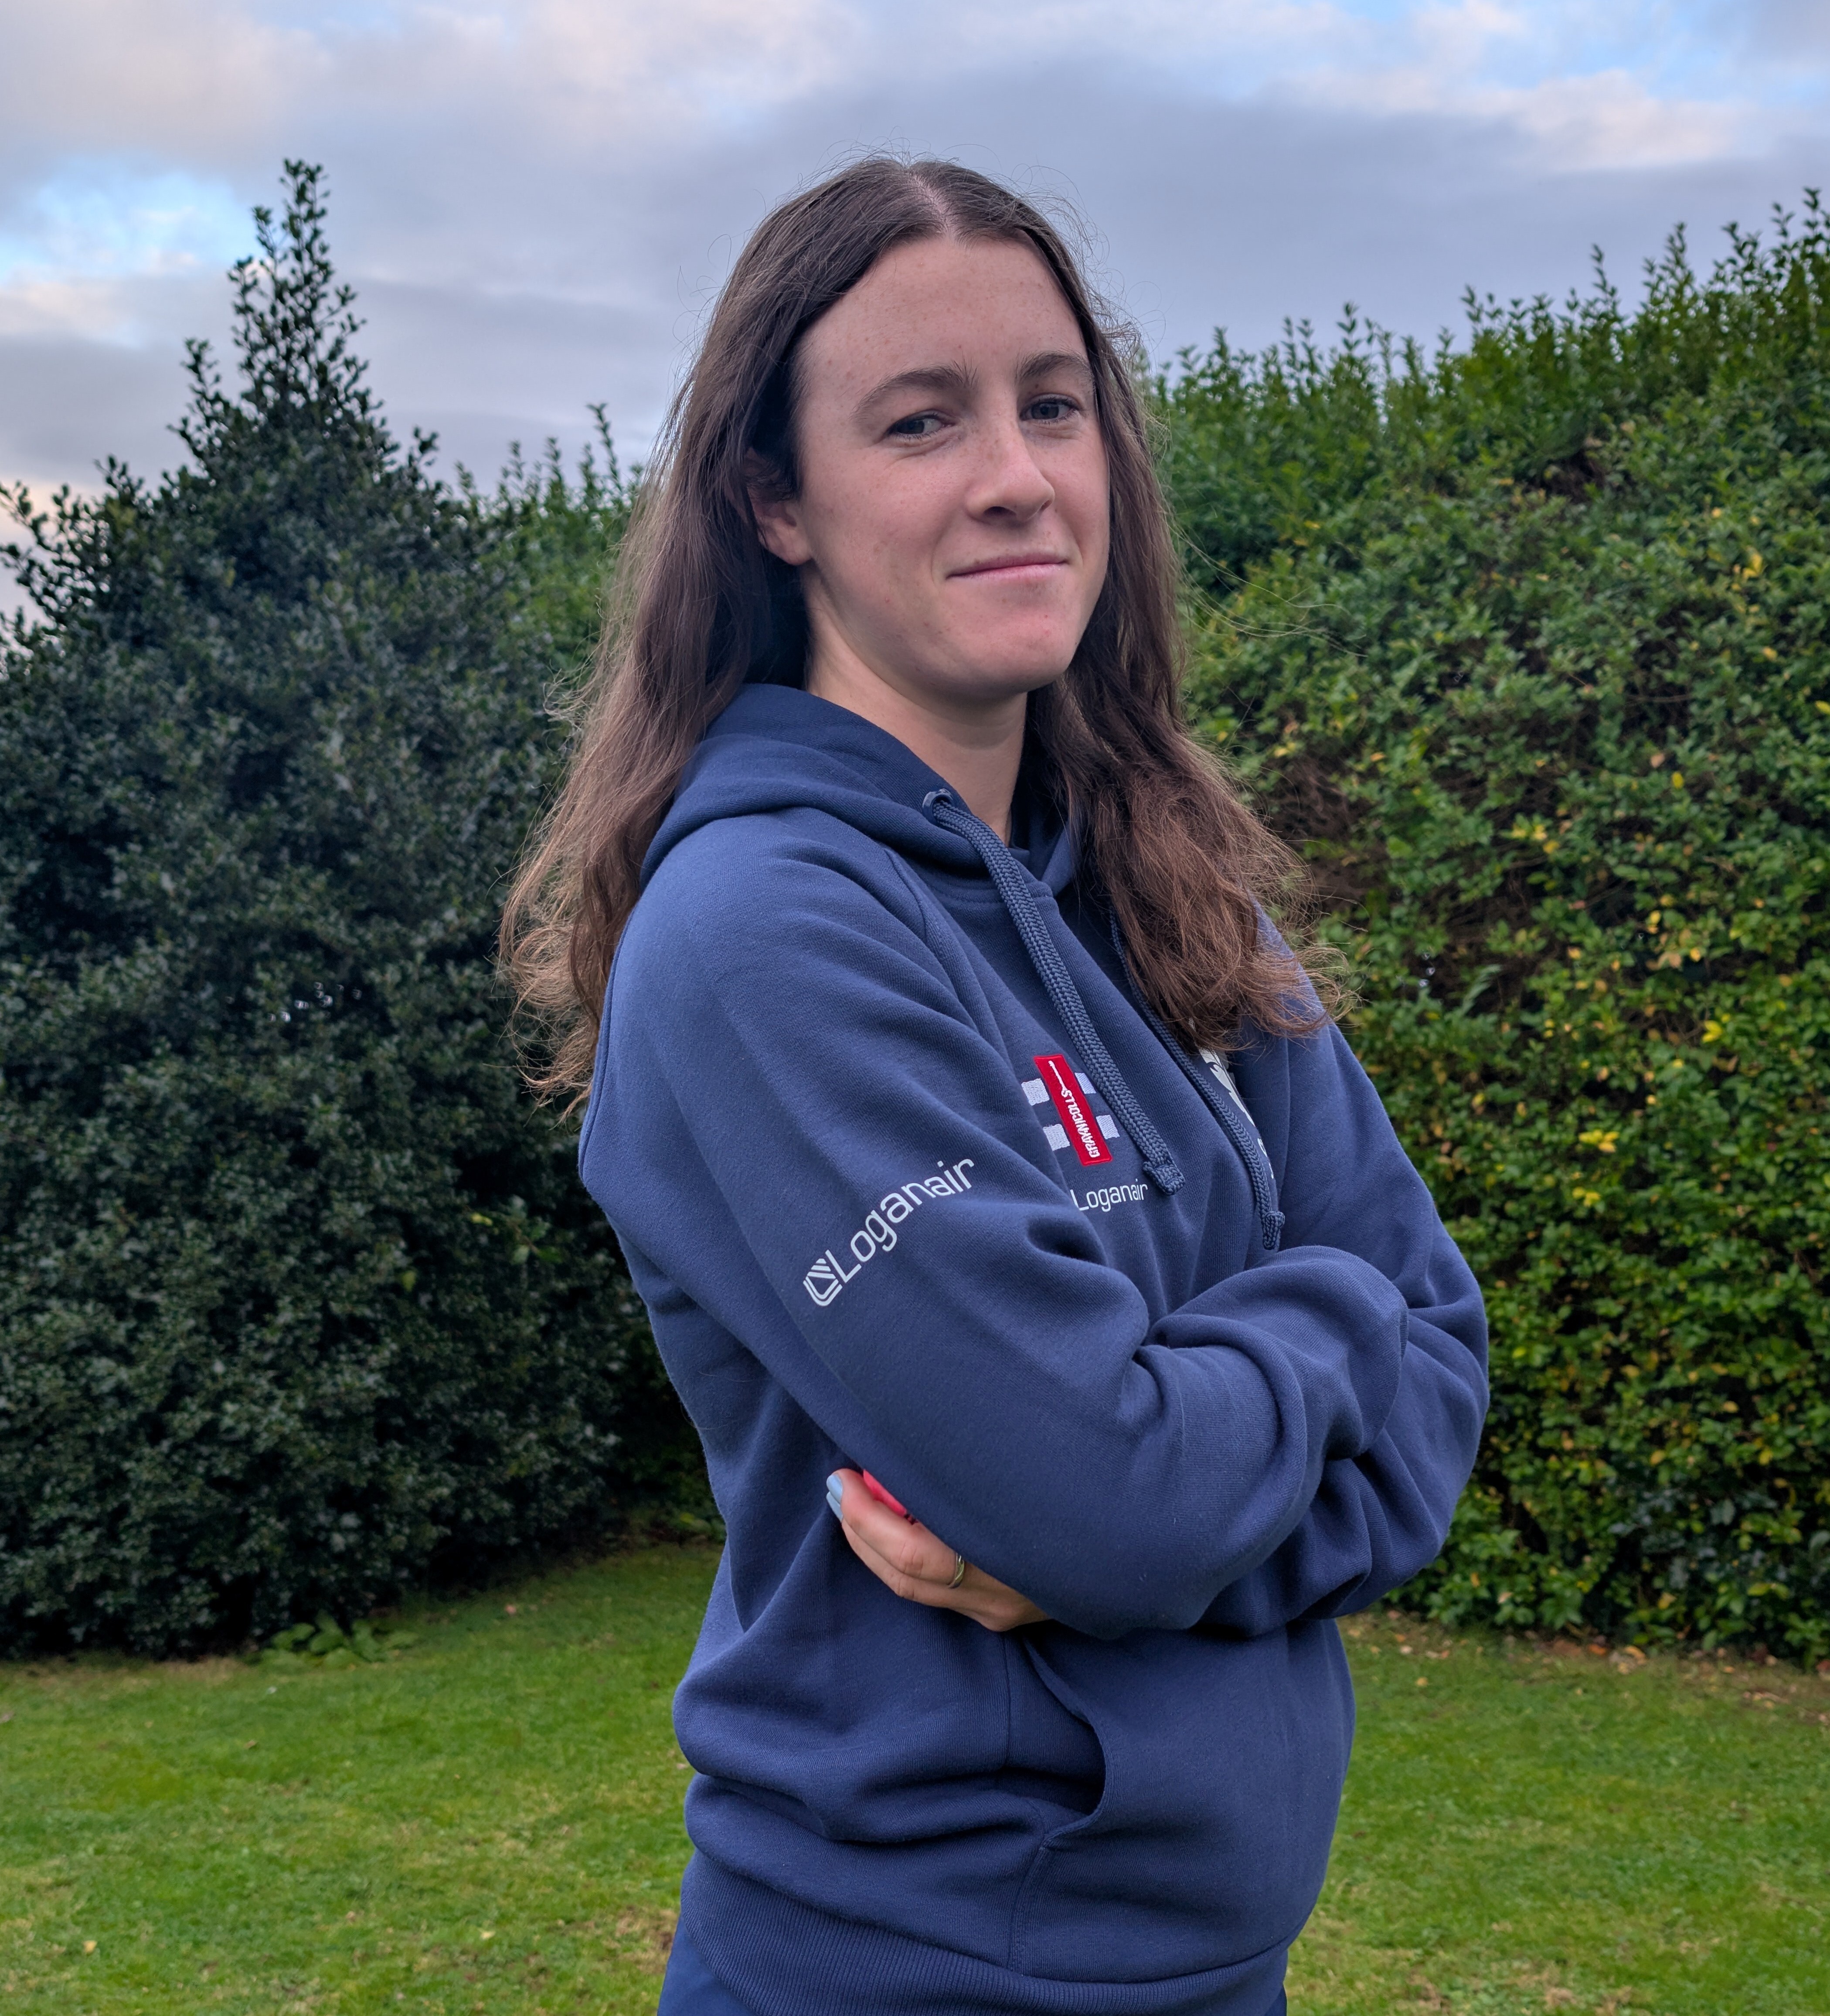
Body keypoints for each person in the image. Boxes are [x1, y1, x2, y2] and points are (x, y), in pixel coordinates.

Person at [502, 156, 1489, 2016]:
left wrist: (1148, 1515)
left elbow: (1435, 1373)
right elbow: (1127, 1485)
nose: (1018, 474)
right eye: (920, 421)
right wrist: (1319, 1335)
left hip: (1209, 1973)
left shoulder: (1171, 882)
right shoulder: (759, 930)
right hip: (911, 1970)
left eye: (1053, 403)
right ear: (774, 502)